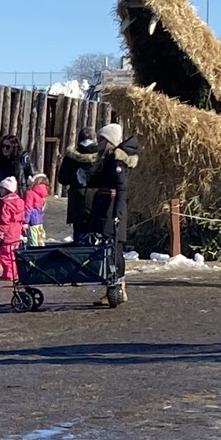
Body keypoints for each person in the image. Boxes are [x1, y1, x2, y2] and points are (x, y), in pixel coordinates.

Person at [80, 121, 138, 308]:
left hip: (111, 210)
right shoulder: (108, 160)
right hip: (105, 209)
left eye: (101, 139)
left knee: (115, 251)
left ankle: (117, 289)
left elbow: (121, 190)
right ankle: (112, 289)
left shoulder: (117, 162)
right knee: (109, 250)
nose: (98, 142)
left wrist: (117, 215)